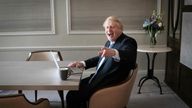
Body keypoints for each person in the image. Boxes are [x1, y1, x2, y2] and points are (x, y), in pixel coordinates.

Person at [66, 16, 137, 108]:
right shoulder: (109, 42)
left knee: (72, 96)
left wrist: (113, 52)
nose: (109, 30)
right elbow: (100, 58)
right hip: (98, 78)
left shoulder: (128, 41)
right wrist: (83, 63)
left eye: (112, 27)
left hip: (107, 84)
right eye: (107, 27)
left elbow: (128, 56)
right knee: (74, 88)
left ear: (120, 29)